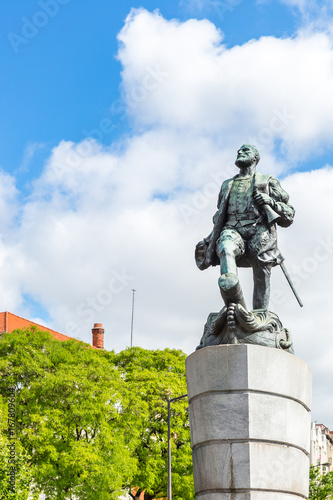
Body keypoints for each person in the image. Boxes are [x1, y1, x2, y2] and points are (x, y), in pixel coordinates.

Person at [195, 144, 295, 310]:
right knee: (226, 248)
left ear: (255, 158)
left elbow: (289, 214)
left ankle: (259, 315)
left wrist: (271, 202)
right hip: (233, 229)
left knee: (262, 268)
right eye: (238, 151)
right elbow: (220, 214)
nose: (240, 152)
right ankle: (234, 303)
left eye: (245, 150)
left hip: (259, 230)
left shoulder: (268, 181)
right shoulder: (227, 184)